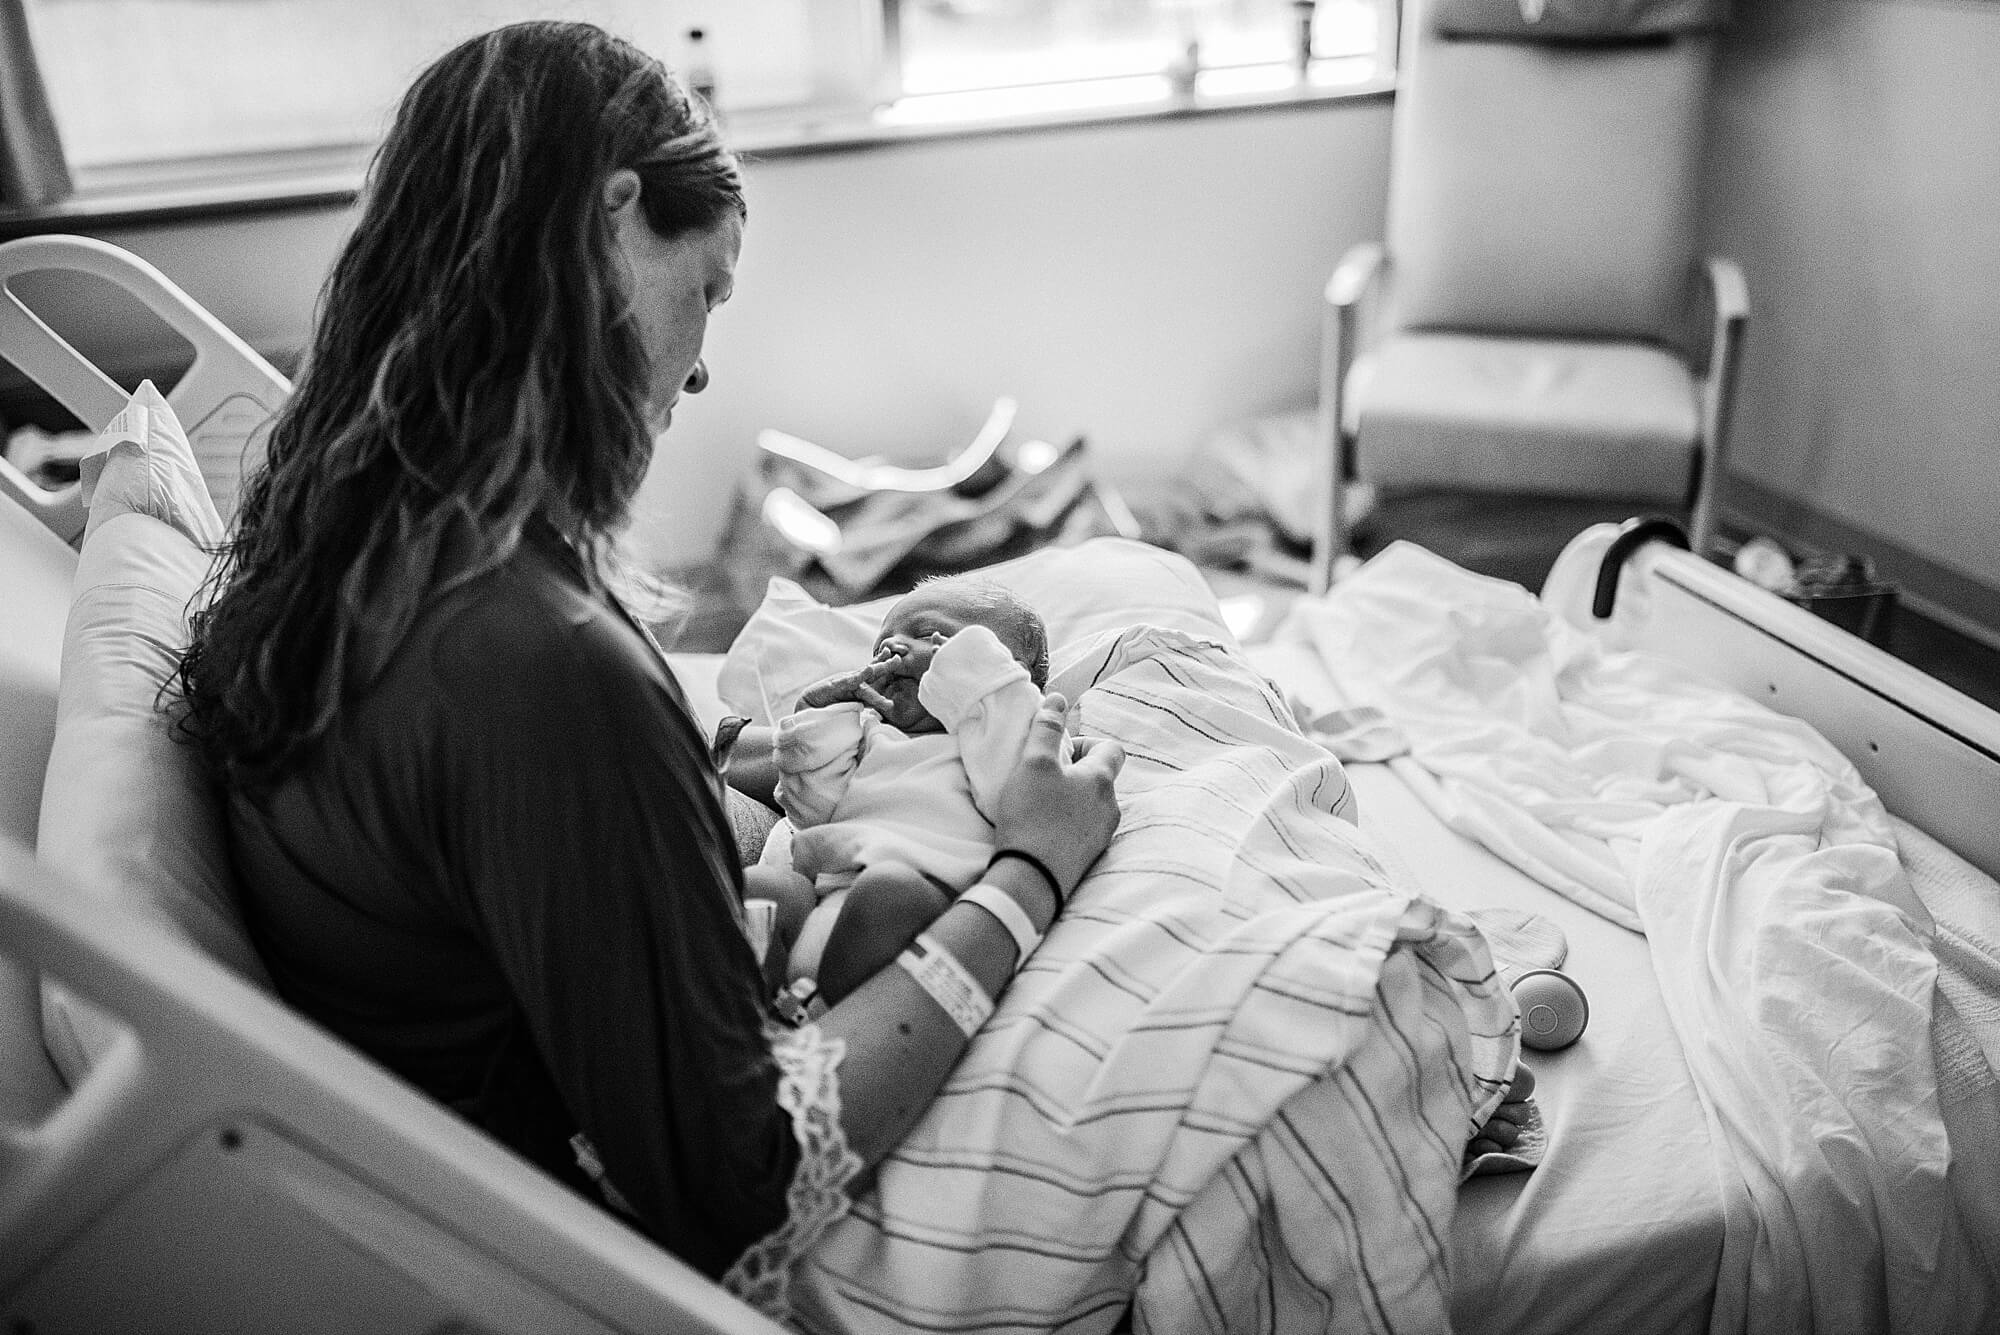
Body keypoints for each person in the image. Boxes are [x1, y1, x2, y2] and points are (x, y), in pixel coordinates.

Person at [171, 20, 1125, 1316]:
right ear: (614, 223)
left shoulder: (344, 529)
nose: (704, 360)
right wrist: (1032, 867)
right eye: (709, 287)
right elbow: (743, 1169)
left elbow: (483, 842)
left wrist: (702, 775)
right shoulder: (537, 664)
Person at [752, 576, 1053, 1006]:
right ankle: (738, 1011)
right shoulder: (869, 732)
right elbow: (811, 810)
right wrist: (817, 718)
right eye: (881, 645)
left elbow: (1020, 793)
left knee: (889, 890)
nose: (893, 647)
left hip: (924, 907)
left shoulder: (1001, 740)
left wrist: (975, 677)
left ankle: (829, 1017)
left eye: (932, 635)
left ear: (1000, 671)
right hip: (824, 899)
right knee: (767, 887)